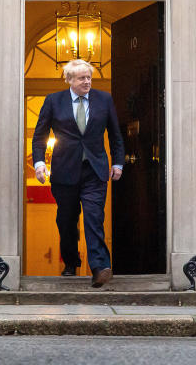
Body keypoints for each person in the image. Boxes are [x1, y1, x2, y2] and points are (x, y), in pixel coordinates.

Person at [32, 59, 124, 287]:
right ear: (70, 80)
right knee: (66, 220)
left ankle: (100, 267)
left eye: (89, 77)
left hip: (94, 170)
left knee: (94, 218)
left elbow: (115, 134)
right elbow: (40, 135)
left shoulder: (104, 99)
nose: (87, 81)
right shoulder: (54, 101)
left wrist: (118, 163)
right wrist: (39, 163)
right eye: (82, 78)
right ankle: (71, 261)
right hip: (64, 171)